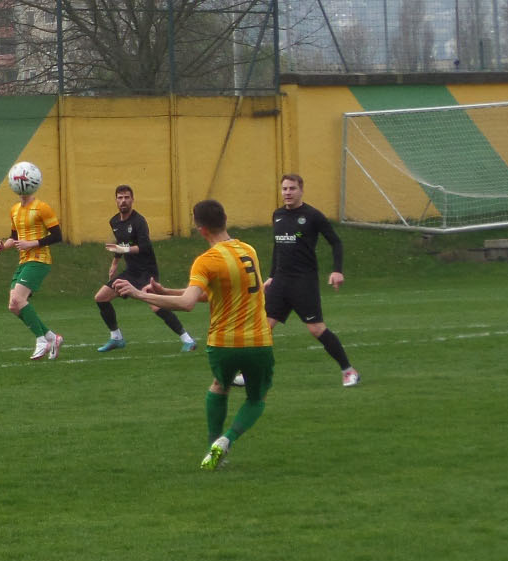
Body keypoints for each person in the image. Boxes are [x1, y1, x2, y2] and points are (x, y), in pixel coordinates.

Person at [115, 199, 272, 471]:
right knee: (257, 398)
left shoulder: (206, 261)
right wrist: (166, 292)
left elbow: (188, 303)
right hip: (258, 341)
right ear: (225, 219)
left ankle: (213, 445)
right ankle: (226, 439)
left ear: (201, 229)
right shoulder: (249, 250)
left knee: (219, 386)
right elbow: (212, 294)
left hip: (223, 344)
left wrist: (139, 294)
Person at [267, 173, 358, 386]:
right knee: (263, 329)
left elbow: (336, 242)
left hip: (303, 282)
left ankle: (348, 371)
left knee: (316, 329)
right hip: (280, 281)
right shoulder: (277, 215)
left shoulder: (312, 215)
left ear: (301, 190)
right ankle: (250, 374)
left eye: (292, 188)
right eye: (284, 189)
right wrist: (271, 276)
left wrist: (337, 270)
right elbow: (277, 247)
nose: (287, 192)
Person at [94, 184, 197, 354]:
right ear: (116, 200)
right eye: (120, 197)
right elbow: (121, 243)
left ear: (132, 200)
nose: (123, 201)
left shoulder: (139, 221)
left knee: (156, 306)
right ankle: (116, 338)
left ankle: (188, 340)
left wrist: (123, 249)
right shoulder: (114, 222)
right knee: (101, 298)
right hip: (131, 271)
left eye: (127, 197)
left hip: (147, 271)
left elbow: (144, 246)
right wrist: (114, 263)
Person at [0, 178, 63, 360]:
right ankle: (52, 338)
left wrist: (32, 243)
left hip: (39, 260)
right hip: (24, 261)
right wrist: (3, 246)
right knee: (13, 306)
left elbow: (57, 236)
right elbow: (14, 237)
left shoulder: (42, 208)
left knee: (18, 299)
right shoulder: (14, 209)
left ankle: (41, 341)